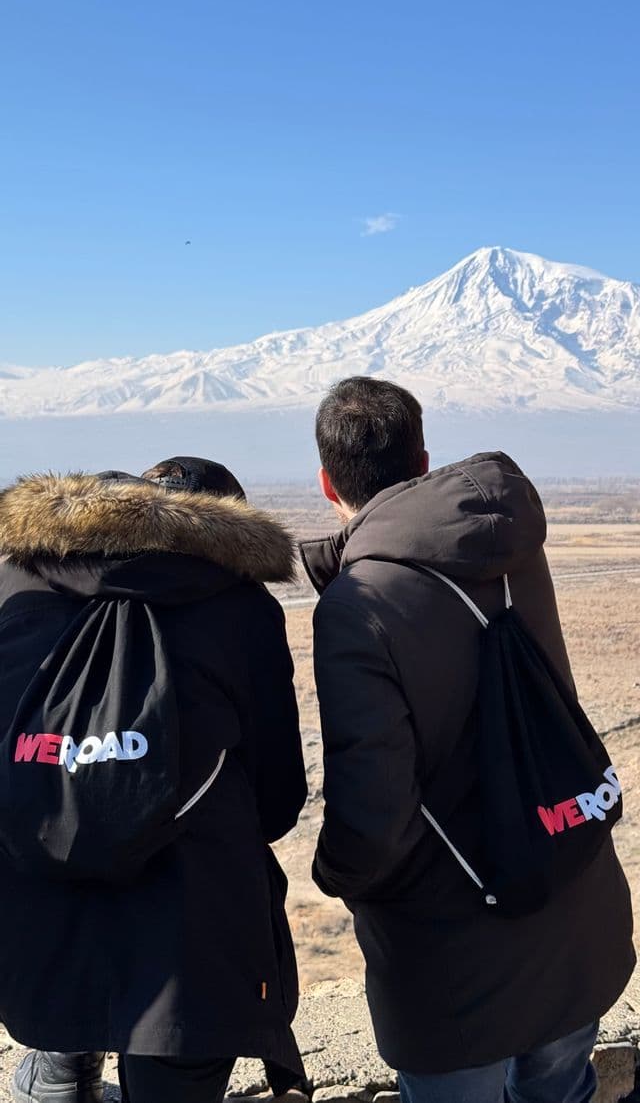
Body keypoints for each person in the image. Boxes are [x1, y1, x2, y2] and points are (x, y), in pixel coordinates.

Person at [300, 376, 635, 1103]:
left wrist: (339, 878)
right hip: (573, 898)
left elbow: (374, 807)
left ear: (327, 482)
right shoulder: (512, 545)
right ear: (423, 462)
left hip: (454, 953)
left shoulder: (358, 605)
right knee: (559, 1089)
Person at [0, 467, 307, 1103]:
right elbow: (276, 798)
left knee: (62, 1039)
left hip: (40, 911)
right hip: (193, 935)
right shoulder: (242, 607)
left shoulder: (12, 586)